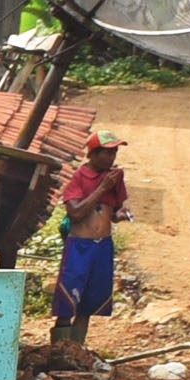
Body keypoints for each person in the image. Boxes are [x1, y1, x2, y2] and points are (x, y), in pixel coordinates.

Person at [51, 130, 128, 360]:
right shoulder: (80, 177)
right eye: (106, 153)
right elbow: (75, 212)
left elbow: (115, 211)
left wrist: (121, 212)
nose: (111, 157)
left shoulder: (115, 177)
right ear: (93, 154)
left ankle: (77, 351)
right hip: (80, 246)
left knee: (90, 302)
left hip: (102, 245)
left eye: (114, 152)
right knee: (68, 299)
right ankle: (59, 353)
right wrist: (102, 188)